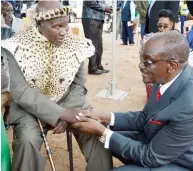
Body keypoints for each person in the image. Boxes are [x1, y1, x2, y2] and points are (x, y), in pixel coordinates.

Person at [73, 31, 193, 171]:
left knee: (104, 136)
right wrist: (103, 117)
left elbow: (150, 157)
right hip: (162, 144)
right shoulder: (166, 75)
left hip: (189, 164)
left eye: (148, 62)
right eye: (142, 59)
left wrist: (102, 131)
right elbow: (146, 117)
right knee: (101, 137)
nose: (140, 65)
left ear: (172, 65)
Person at [1, 1, 112, 171]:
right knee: (27, 141)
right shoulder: (14, 48)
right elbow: (22, 93)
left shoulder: (76, 45)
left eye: (66, 25)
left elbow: (79, 85)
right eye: (56, 26)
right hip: (29, 109)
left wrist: (68, 113)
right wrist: (60, 114)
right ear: (39, 24)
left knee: (97, 130)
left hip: (70, 103)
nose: (63, 32)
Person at [145, 9, 175, 101]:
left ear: (172, 25)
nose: (161, 29)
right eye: (160, 26)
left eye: (165, 26)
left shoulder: (177, 42)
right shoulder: (151, 39)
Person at [82, 0, 111, 75]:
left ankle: (98, 65)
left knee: (99, 45)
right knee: (92, 44)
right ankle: (92, 68)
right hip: (91, 17)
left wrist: (108, 7)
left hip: (99, 18)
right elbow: (89, 1)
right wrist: (104, 8)